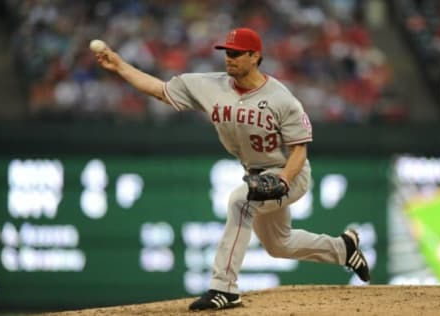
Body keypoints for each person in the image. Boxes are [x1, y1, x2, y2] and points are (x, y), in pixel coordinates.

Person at [93, 27, 370, 311]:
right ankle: (343, 248)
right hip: (255, 174)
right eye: (227, 52)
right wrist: (120, 66)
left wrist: (284, 180)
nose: (229, 58)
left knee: (241, 202)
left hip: (290, 172)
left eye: (237, 53)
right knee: (278, 244)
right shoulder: (209, 85)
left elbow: (299, 150)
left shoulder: (282, 99)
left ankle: (224, 288)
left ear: (255, 56)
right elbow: (161, 91)